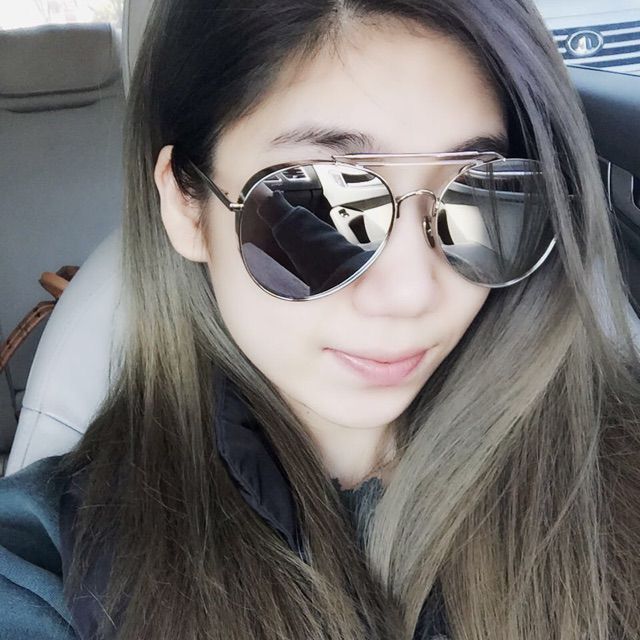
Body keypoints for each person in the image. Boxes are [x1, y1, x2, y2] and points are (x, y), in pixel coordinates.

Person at [1, 0, 639, 639]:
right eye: (323, 204)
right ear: (186, 206)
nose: (412, 293)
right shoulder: (47, 559)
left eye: (481, 190)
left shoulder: (614, 474)